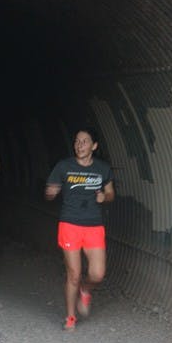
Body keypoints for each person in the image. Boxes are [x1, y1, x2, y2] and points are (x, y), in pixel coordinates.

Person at [45, 128, 115, 332]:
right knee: (73, 274)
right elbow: (50, 191)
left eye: (84, 141)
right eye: (77, 141)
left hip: (94, 225)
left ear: (94, 146)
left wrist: (105, 197)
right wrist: (51, 192)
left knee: (97, 273)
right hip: (70, 224)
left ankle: (86, 289)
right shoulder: (64, 166)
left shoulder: (103, 169)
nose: (79, 145)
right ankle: (70, 317)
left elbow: (110, 193)